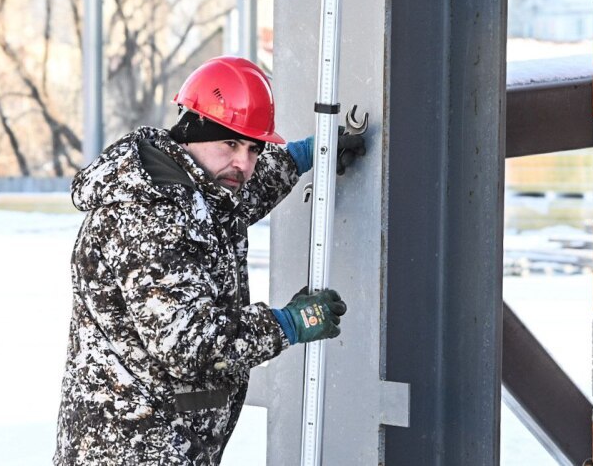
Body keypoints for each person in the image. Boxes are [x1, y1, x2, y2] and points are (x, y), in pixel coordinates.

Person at [53, 56, 364, 465]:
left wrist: (305, 155)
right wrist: (290, 323)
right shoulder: (151, 214)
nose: (244, 163)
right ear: (190, 135)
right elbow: (189, 343)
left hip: (161, 441)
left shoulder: (189, 186)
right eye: (231, 144)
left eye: (254, 148)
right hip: (133, 447)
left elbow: (234, 200)